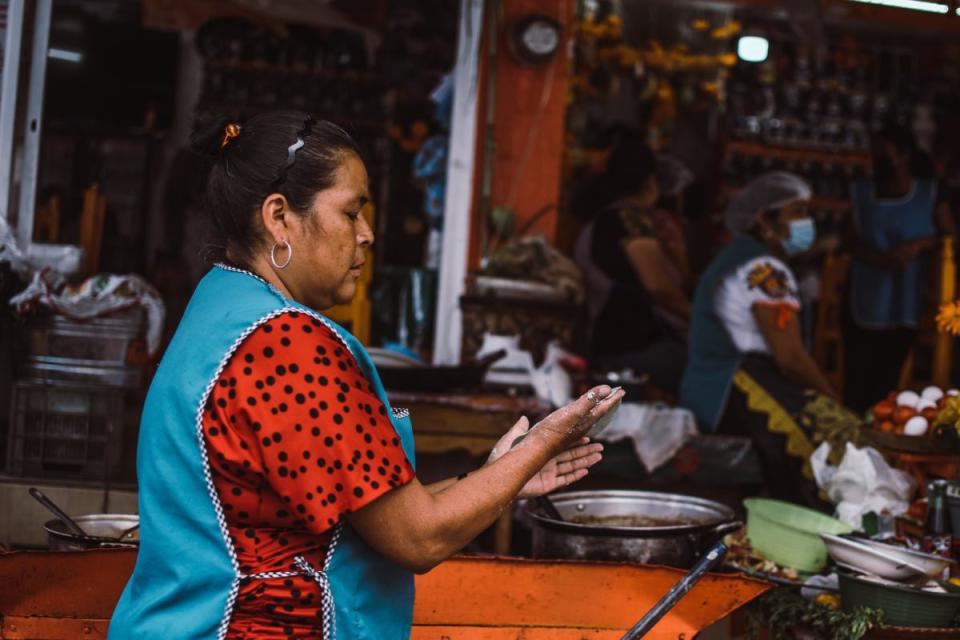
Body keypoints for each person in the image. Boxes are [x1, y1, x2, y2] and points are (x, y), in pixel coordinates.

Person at [107, 111, 622, 640]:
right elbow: (416, 539)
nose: (367, 234)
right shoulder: (286, 345)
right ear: (280, 217)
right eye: (351, 212)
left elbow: (373, 512)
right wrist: (547, 440)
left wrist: (501, 476)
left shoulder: (221, 304)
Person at [680, 173, 858, 510]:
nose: (807, 222)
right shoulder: (764, 269)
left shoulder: (737, 256)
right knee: (833, 435)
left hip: (711, 387)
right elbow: (790, 357)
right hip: (734, 387)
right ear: (764, 219)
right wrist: (835, 400)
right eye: (797, 212)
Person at [843, 125, 953, 414]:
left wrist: (918, 245)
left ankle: (879, 432)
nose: (877, 158)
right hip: (866, 295)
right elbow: (849, 239)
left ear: (904, 155)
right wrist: (881, 259)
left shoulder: (929, 194)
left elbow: (950, 237)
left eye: (884, 152)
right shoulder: (861, 193)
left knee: (888, 377)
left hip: (908, 297)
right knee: (857, 379)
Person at [573, 136, 690, 393]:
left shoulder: (605, 218)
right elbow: (658, 286)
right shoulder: (629, 218)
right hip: (629, 346)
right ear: (651, 182)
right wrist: (697, 320)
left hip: (614, 343)